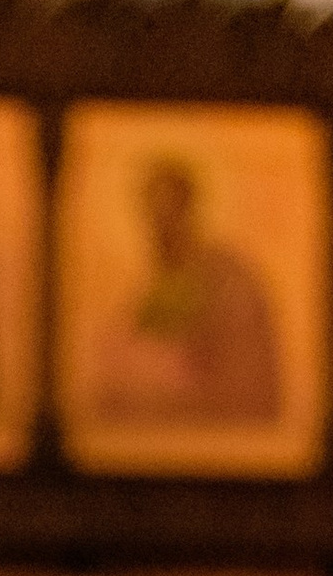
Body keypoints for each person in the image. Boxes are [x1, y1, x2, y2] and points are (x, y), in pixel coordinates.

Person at [85, 154, 279, 424]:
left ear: (187, 212)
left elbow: (241, 384)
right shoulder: (153, 290)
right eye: (150, 216)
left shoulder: (227, 278)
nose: (157, 230)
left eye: (167, 215)